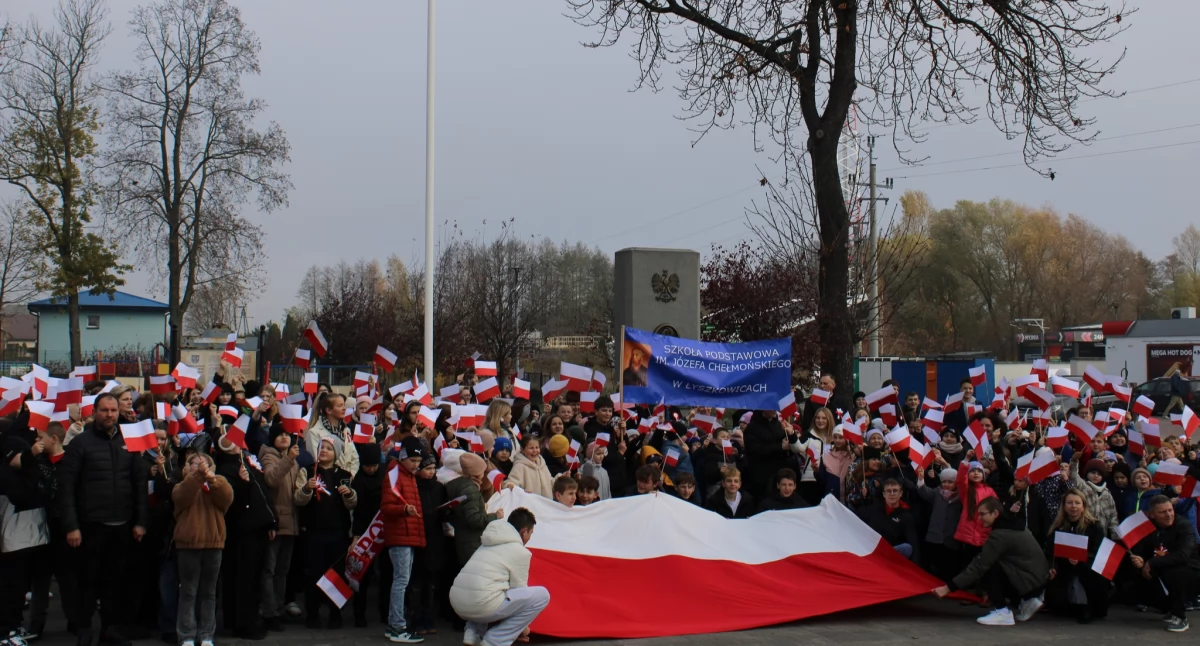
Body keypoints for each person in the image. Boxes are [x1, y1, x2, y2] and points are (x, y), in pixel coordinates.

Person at [58, 392, 149, 646]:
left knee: (115, 583)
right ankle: (84, 629)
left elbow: (139, 484)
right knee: (86, 582)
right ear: (95, 412)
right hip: (89, 527)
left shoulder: (130, 442)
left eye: (113, 410)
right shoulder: (80, 444)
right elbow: (67, 488)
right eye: (104, 410)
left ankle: (110, 630)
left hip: (122, 526)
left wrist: (141, 521)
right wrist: (72, 526)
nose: (109, 415)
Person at [933, 497, 1049, 627]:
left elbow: (979, 566)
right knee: (990, 563)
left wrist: (948, 588)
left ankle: (1002, 612)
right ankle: (1027, 601)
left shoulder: (1000, 534)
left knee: (985, 568)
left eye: (983, 514)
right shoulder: (1013, 524)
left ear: (995, 513)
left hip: (1030, 581)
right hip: (1037, 580)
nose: (980, 518)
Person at [449, 509, 550, 646]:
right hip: (480, 604)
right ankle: (495, 641)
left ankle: (472, 633)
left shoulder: (486, 544)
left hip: (458, 602)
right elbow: (518, 590)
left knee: (486, 590)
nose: (530, 537)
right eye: (531, 533)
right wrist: (522, 628)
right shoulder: (520, 551)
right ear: (524, 531)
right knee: (542, 595)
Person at [172, 452, 233, 646]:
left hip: (214, 544)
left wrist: (212, 479)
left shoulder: (217, 483)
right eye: (194, 464)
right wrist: (198, 476)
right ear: (186, 468)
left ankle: (206, 635)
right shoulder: (181, 485)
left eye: (204, 464)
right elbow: (182, 497)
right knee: (188, 591)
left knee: (209, 592)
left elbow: (227, 498)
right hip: (188, 545)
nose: (199, 466)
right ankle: (187, 635)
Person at [1128, 495, 1200, 633]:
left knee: (1175, 573)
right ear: (1152, 515)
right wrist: (1142, 561)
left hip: (1191, 569)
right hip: (1164, 565)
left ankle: (1181, 618)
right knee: (1138, 574)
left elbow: (1183, 555)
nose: (1168, 515)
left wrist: (1151, 562)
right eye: (1162, 512)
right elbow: (1146, 549)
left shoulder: (1184, 525)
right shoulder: (1149, 528)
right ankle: (1169, 610)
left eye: (1170, 510)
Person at [380, 437, 427, 643]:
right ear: (403, 457)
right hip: (400, 534)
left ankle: (394, 625)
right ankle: (398, 626)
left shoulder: (408, 475)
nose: (417, 465)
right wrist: (404, 510)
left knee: (402, 580)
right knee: (401, 581)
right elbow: (386, 507)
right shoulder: (395, 474)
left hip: (408, 534)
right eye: (413, 460)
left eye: (418, 461)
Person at [1043, 489, 1109, 623]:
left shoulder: (1094, 526)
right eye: (1070, 503)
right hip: (1064, 568)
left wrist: (1082, 558)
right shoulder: (1058, 527)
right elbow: (1050, 552)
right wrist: (1052, 567)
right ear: (1064, 506)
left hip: (1088, 569)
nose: (1073, 506)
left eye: (1077, 503)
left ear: (1083, 506)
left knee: (1083, 573)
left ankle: (1087, 607)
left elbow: (1099, 551)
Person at [258, 427, 300, 633]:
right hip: (275, 522)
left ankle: (278, 607)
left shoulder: (291, 459)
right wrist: (288, 460)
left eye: (287, 434)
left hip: (291, 522)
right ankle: (269, 612)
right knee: (269, 570)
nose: (285, 436)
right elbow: (271, 479)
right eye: (280, 433)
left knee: (282, 571)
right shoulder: (268, 456)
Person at [350, 443, 386, 628]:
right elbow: (358, 511)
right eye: (367, 466)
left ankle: (385, 613)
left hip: (383, 530)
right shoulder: (357, 480)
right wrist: (356, 535)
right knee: (363, 576)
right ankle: (359, 614)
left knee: (386, 574)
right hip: (366, 531)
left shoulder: (384, 476)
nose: (371, 469)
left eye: (374, 466)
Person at [915, 467, 962, 582]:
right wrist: (921, 479)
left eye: (950, 482)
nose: (946, 484)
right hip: (935, 534)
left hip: (951, 536)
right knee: (935, 560)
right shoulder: (936, 492)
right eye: (944, 481)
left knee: (949, 562)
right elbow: (924, 492)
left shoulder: (961, 496)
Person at [857, 479, 920, 562]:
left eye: (895, 491)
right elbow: (856, 519)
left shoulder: (906, 516)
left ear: (900, 494)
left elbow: (913, 542)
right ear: (884, 494)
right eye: (888, 491)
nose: (892, 494)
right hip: (875, 552)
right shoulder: (874, 510)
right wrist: (863, 499)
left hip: (893, 556)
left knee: (906, 548)